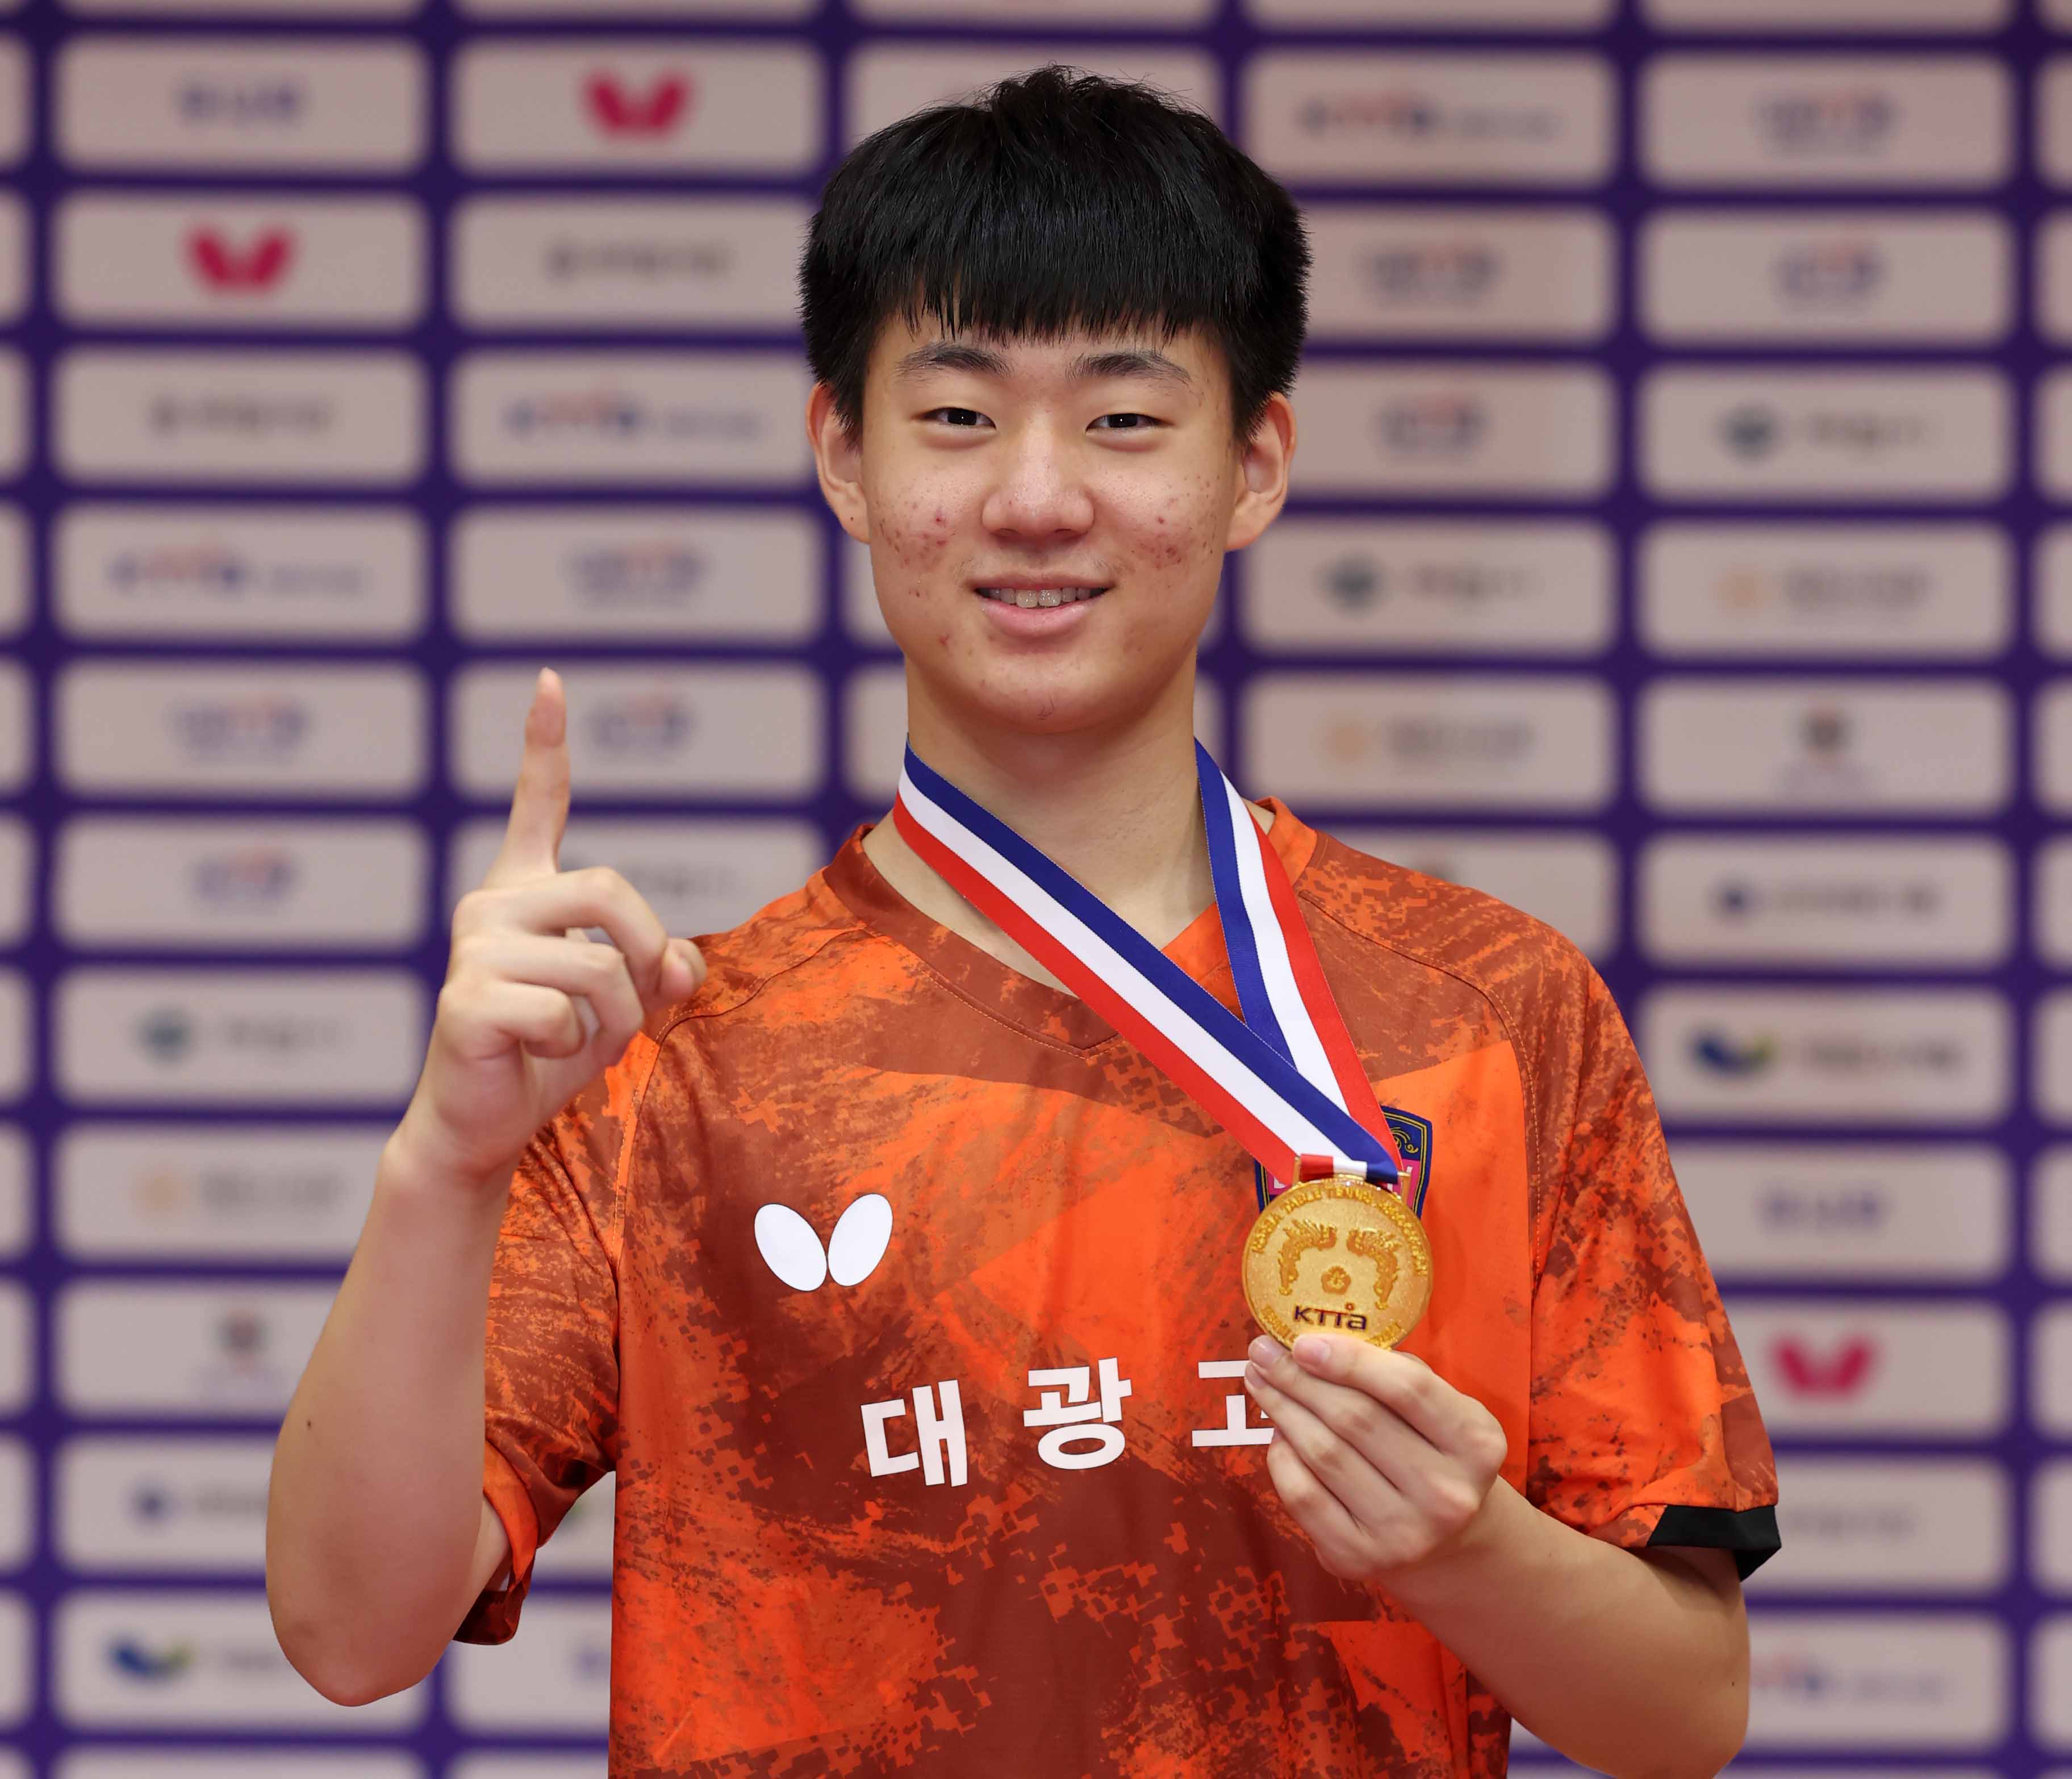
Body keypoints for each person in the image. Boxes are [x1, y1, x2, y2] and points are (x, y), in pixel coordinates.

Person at [266, 65, 1777, 1778]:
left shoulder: (1492, 1010)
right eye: (959, 414)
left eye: (1125, 418)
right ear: (843, 455)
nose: (1038, 496)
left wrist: (1466, 1549)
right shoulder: (673, 1054)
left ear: (1255, 463)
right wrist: (445, 1163)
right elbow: (350, 1629)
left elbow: (1685, 1716)